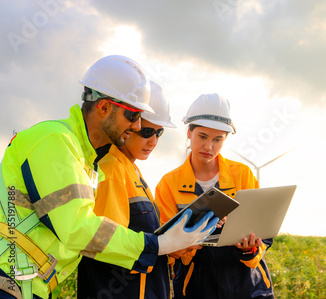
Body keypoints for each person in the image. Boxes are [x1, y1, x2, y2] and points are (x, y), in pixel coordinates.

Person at [0, 55, 217, 299]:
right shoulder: (55, 140)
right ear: (104, 108)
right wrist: (159, 245)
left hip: (26, 286)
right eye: (134, 117)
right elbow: (77, 229)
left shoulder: (87, 160)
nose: (136, 127)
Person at [155, 93, 275, 299]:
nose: (209, 147)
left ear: (225, 139)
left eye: (218, 139)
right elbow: (166, 249)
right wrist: (192, 240)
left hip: (250, 289)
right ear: (189, 132)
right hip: (197, 290)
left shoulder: (243, 175)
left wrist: (249, 249)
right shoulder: (168, 184)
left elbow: (263, 236)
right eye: (202, 136)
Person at [77, 81, 186, 299]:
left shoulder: (131, 169)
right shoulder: (112, 169)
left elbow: (141, 239)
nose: (153, 141)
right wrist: (162, 246)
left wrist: (174, 246)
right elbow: (110, 250)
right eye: (146, 131)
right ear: (130, 125)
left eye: (159, 133)